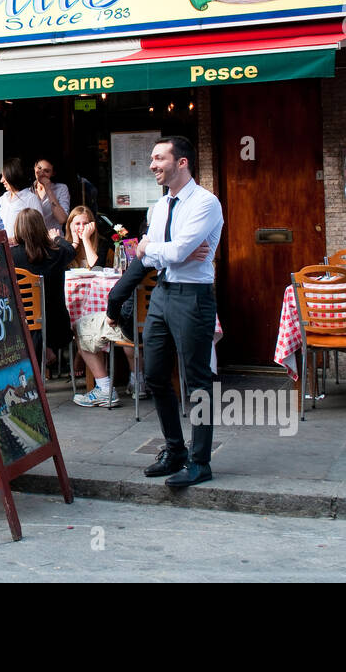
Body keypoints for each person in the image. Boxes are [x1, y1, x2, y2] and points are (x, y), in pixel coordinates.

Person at [136, 136, 223, 486]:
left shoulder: (206, 203)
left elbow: (178, 249)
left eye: (159, 158)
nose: (153, 165)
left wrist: (154, 248)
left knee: (198, 380)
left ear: (182, 162)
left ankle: (200, 462)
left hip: (194, 296)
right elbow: (160, 253)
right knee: (155, 374)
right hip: (163, 292)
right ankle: (175, 451)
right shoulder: (159, 207)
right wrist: (161, 250)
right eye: (152, 159)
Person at [72, 256, 153, 408]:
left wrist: (112, 315)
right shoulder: (181, 256)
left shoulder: (145, 258)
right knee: (133, 328)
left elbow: (117, 294)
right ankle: (138, 382)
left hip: (133, 329)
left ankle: (104, 388)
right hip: (166, 327)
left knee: (80, 326)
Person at [10, 207, 75, 373]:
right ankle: (47, 349)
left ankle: (41, 352)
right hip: (56, 325)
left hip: (20, 328)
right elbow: (71, 251)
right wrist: (56, 239)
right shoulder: (56, 252)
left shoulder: (9, 256)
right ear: (42, 228)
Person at [0, 157, 43, 242]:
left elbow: (39, 229)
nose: (1, 180)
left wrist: (17, 240)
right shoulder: (2, 199)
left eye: (4, 176)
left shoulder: (30, 198)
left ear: (13, 175)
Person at [31, 158, 69, 234]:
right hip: (34, 240)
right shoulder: (28, 191)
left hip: (54, 239)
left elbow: (62, 219)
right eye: (39, 168)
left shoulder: (61, 189)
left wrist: (48, 189)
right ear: (35, 167)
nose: (41, 173)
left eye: (46, 171)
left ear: (53, 173)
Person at [66, 205, 108, 269]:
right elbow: (60, 267)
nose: (82, 227)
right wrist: (75, 243)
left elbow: (97, 268)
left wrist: (86, 239)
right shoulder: (65, 244)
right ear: (70, 225)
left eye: (85, 223)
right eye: (77, 224)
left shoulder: (101, 243)